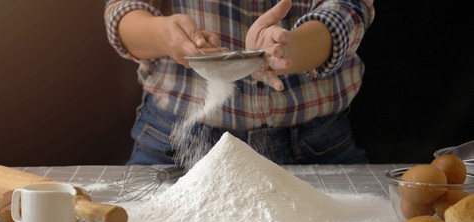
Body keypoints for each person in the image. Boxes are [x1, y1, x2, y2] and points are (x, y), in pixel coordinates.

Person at [104, 0, 375, 166]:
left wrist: (288, 49)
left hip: (315, 145)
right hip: (174, 141)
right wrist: (166, 36)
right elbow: (122, 11)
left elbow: (347, 9)